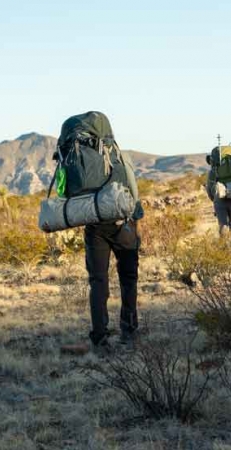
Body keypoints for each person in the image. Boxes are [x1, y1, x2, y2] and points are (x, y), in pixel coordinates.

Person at [55, 111, 144, 350]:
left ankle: (100, 336)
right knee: (128, 278)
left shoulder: (76, 159)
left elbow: (63, 192)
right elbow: (133, 193)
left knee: (98, 281)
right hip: (122, 224)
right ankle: (129, 329)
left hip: (94, 225)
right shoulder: (118, 157)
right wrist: (136, 218)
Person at [206, 145, 231, 239]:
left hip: (220, 201)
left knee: (223, 225)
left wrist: (214, 199)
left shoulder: (213, 172)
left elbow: (210, 189)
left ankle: (224, 248)